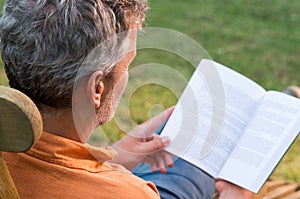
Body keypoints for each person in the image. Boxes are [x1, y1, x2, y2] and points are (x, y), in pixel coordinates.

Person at [0, 0, 253, 198]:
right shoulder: (129, 193)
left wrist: (112, 156)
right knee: (188, 170)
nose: (127, 75)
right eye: (127, 64)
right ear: (97, 88)